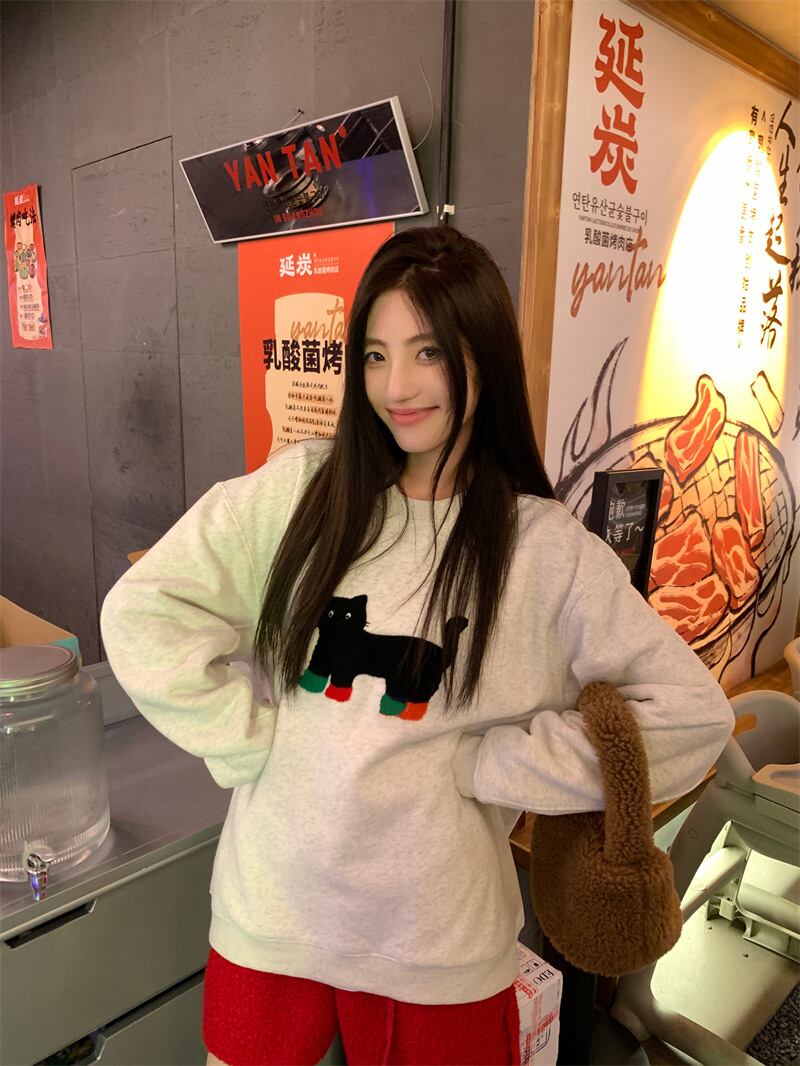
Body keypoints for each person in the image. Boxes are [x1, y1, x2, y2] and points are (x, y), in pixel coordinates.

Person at [101, 226, 734, 1066]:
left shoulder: (543, 548)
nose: (396, 386)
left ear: (484, 356)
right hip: (273, 915)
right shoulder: (301, 492)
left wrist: (505, 765)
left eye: (428, 352)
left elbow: (693, 715)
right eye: (374, 355)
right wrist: (246, 738)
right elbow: (144, 609)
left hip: (439, 944)